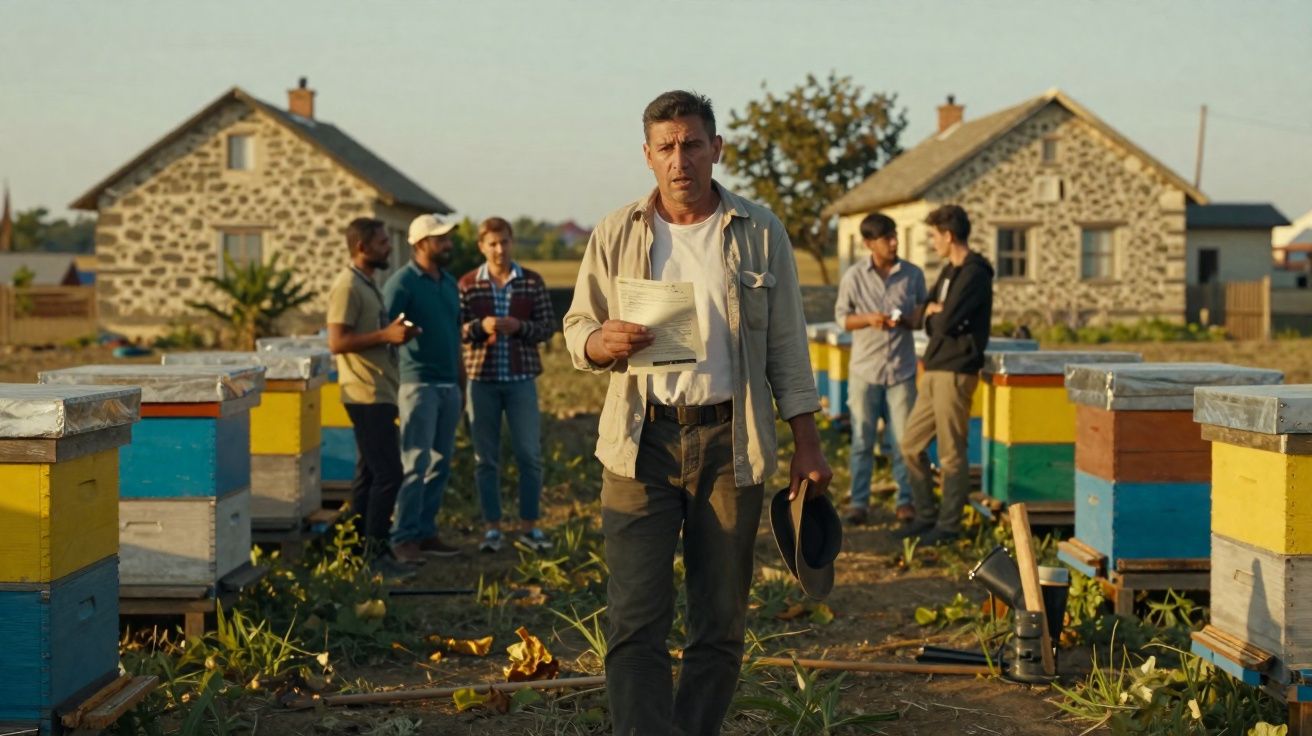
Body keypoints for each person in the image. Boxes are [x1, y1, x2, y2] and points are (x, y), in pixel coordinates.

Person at [563, 90, 832, 736]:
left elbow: (788, 344)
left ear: (717, 149)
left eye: (691, 144)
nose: (679, 159)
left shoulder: (759, 231)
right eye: (666, 147)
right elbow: (579, 324)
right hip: (640, 443)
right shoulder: (617, 232)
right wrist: (600, 343)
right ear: (648, 156)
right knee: (635, 620)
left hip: (729, 444)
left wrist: (807, 443)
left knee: (719, 621)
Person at [326, 217, 421, 579]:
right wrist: (386, 334)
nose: (388, 247)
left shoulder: (367, 284)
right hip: (365, 394)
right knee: (389, 475)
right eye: (382, 242)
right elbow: (336, 342)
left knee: (368, 476)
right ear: (362, 247)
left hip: (379, 390)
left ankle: (352, 552)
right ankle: (376, 556)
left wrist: (397, 335)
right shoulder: (347, 286)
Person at [458, 217, 557, 554]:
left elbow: (547, 327)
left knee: (529, 455)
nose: (500, 250)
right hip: (480, 381)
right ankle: (492, 529)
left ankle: (530, 527)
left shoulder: (530, 282)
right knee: (485, 459)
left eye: (505, 242)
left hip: (520, 381)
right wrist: (479, 327)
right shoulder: (468, 285)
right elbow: (455, 329)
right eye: (493, 244)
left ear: (512, 243)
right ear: (482, 247)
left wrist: (520, 327)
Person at [897, 204, 993, 546]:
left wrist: (934, 316)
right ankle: (926, 516)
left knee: (952, 451)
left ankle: (949, 525)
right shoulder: (949, 271)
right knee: (910, 445)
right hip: (936, 366)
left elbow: (946, 321)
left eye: (934, 236)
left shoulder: (974, 273)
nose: (932, 242)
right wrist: (932, 314)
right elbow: (926, 311)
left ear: (949, 235)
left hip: (957, 369)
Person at [382, 214, 465, 564]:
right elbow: (385, 332)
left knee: (440, 464)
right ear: (419, 244)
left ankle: (425, 532)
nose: (447, 244)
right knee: (414, 462)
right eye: (440, 239)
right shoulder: (401, 283)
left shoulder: (448, 282)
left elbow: (456, 333)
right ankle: (402, 538)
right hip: (418, 384)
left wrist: (461, 378)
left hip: (449, 384)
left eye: (447, 238)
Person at [834, 213, 926, 526]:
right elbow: (842, 318)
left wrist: (906, 320)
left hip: (901, 370)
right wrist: (869, 319)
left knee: (904, 441)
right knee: (862, 440)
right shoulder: (854, 277)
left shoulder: (913, 275)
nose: (894, 242)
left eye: (894, 235)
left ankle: (906, 501)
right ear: (868, 243)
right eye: (886, 238)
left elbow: (922, 315)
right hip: (865, 371)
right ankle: (859, 503)